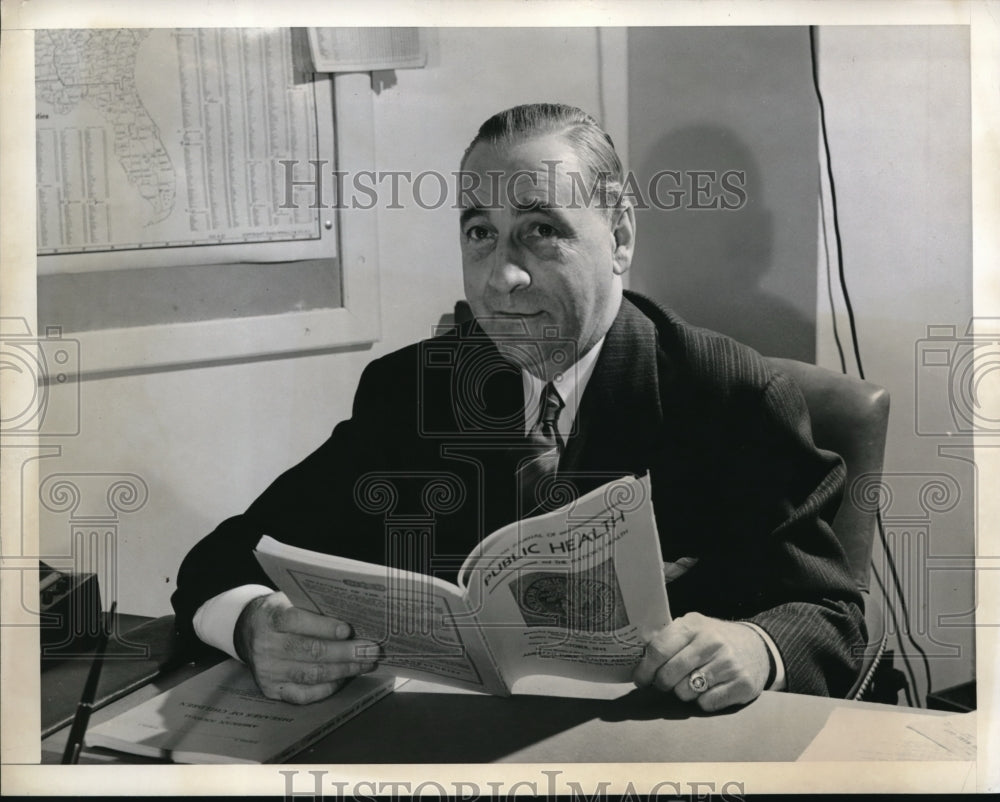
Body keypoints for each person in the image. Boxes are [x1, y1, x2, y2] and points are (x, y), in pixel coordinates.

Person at [172, 103, 865, 712]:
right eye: (481, 234)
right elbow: (225, 558)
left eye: (540, 230)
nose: (502, 276)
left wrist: (754, 644)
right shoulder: (413, 391)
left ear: (620, 237)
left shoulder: (729, 395)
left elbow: (832, 615)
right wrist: (251, 623)